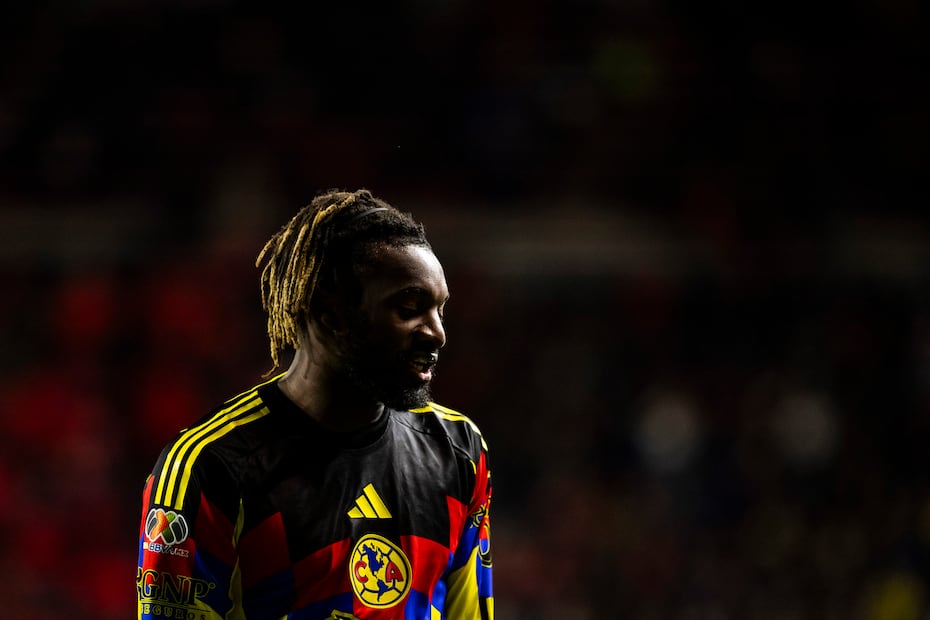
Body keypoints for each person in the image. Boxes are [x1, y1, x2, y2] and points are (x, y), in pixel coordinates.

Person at [136, 189, 493, 620]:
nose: (436, 333)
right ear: (332, 313)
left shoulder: (457, 451)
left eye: (439, 310)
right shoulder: (212, 466)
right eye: (410, 308)